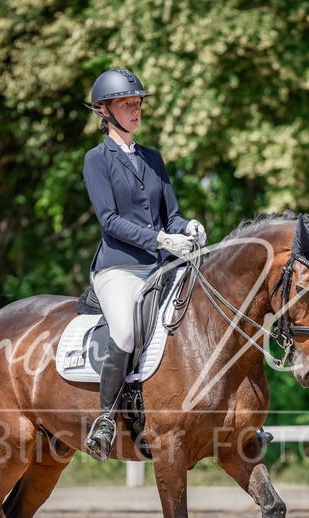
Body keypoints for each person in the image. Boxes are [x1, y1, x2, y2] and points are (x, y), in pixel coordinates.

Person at [82, 67, 207, 461]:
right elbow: (110, 221)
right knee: (124, 332)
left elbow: (171, 216)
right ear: (106, 111)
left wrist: (187, 227)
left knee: (203, 318)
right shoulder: (95, 160)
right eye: (126, 104)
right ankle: (104, 420)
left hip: (162, 267)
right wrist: (160, 239)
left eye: (137, 103)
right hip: (118, 268)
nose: (135, 110)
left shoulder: (153, 158)